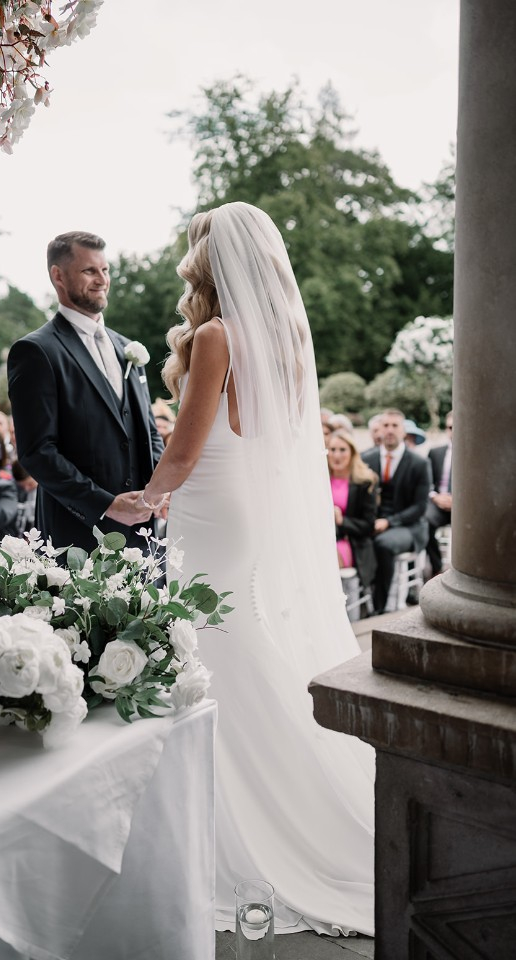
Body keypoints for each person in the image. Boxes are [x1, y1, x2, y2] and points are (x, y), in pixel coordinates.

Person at [134, 203, 374, 936]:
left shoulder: (215, 335)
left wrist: (142, 499)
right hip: (235, 506)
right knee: (224, 641)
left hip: (208, 506)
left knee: (219, 647)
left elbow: (186, 447)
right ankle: (236, 801)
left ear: (211, 257)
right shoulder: (285, 337)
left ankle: (258, 813)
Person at [7, 230, 164, 553]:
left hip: (142, 533)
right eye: (89, 270)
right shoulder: (36, 351)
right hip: (75, 534)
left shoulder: (127, 348)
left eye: (105, 270)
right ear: (58, 275)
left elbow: (149, 431)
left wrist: (158, 491)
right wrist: (106, 504)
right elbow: (37, 451)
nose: (102, 279)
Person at [361, 409, 432, 613]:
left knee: (382, 544)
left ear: (403, 431)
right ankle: (358, 602)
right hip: (373, 521)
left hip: (409, 526)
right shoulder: (367, 458)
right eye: (386, 425)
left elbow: (420, 508)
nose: (390, 430)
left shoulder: (419, 463)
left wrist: (389, 522)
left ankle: (379, 607)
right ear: (379, 430)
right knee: (356, 538)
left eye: (395, 426)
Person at [328, 429, 378, 592]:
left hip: (350, 541)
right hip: (323, 537)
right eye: (332, 449)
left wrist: (342, 521)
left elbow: (368, 525)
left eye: (342, 450)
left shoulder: (364, 481)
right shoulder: (321, 479)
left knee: (327, 557)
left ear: (352, 453)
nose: (336, 455)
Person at [426, 409, 453, 575]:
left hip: (465, 508)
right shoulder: (436, 452)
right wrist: (435, 497)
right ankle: (437, 568)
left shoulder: (476, 455)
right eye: (450, 427)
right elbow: (427, 482)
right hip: (438, 503)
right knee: (424, 522)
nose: (454, 431)